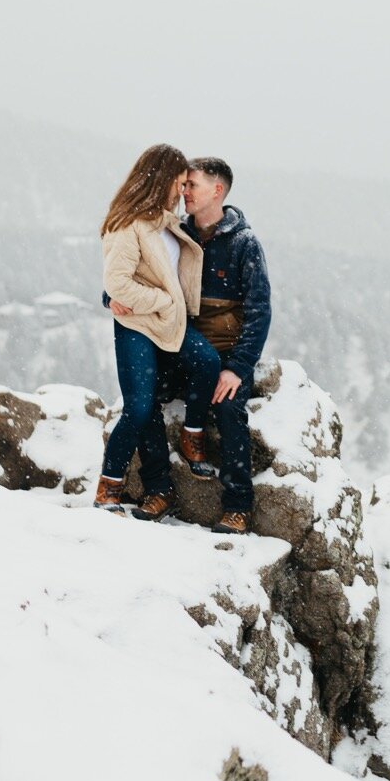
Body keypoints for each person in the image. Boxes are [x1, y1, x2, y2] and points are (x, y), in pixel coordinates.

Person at [93, 144, 223, 521]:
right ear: (162, 179)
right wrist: (163, 302)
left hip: (169, 323)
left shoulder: (166, 221)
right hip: (137, 325)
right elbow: (118, 283)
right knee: (138, 407)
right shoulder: (126, 224)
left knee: (206, 362)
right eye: (180, 183)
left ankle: (191, 433)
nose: (183, 192)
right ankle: (109, 489)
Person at [174, 156, 272, 534]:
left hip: (227, 352)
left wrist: (237, 368)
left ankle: (238, 508)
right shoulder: (178, 236)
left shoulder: (243, 243)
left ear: (217, 190)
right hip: (183, 347)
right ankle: (157, 491)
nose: (184, 193)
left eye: (192, 185)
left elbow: (259, 310)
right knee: (144, 397)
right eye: (183, 185)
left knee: (230, 410)